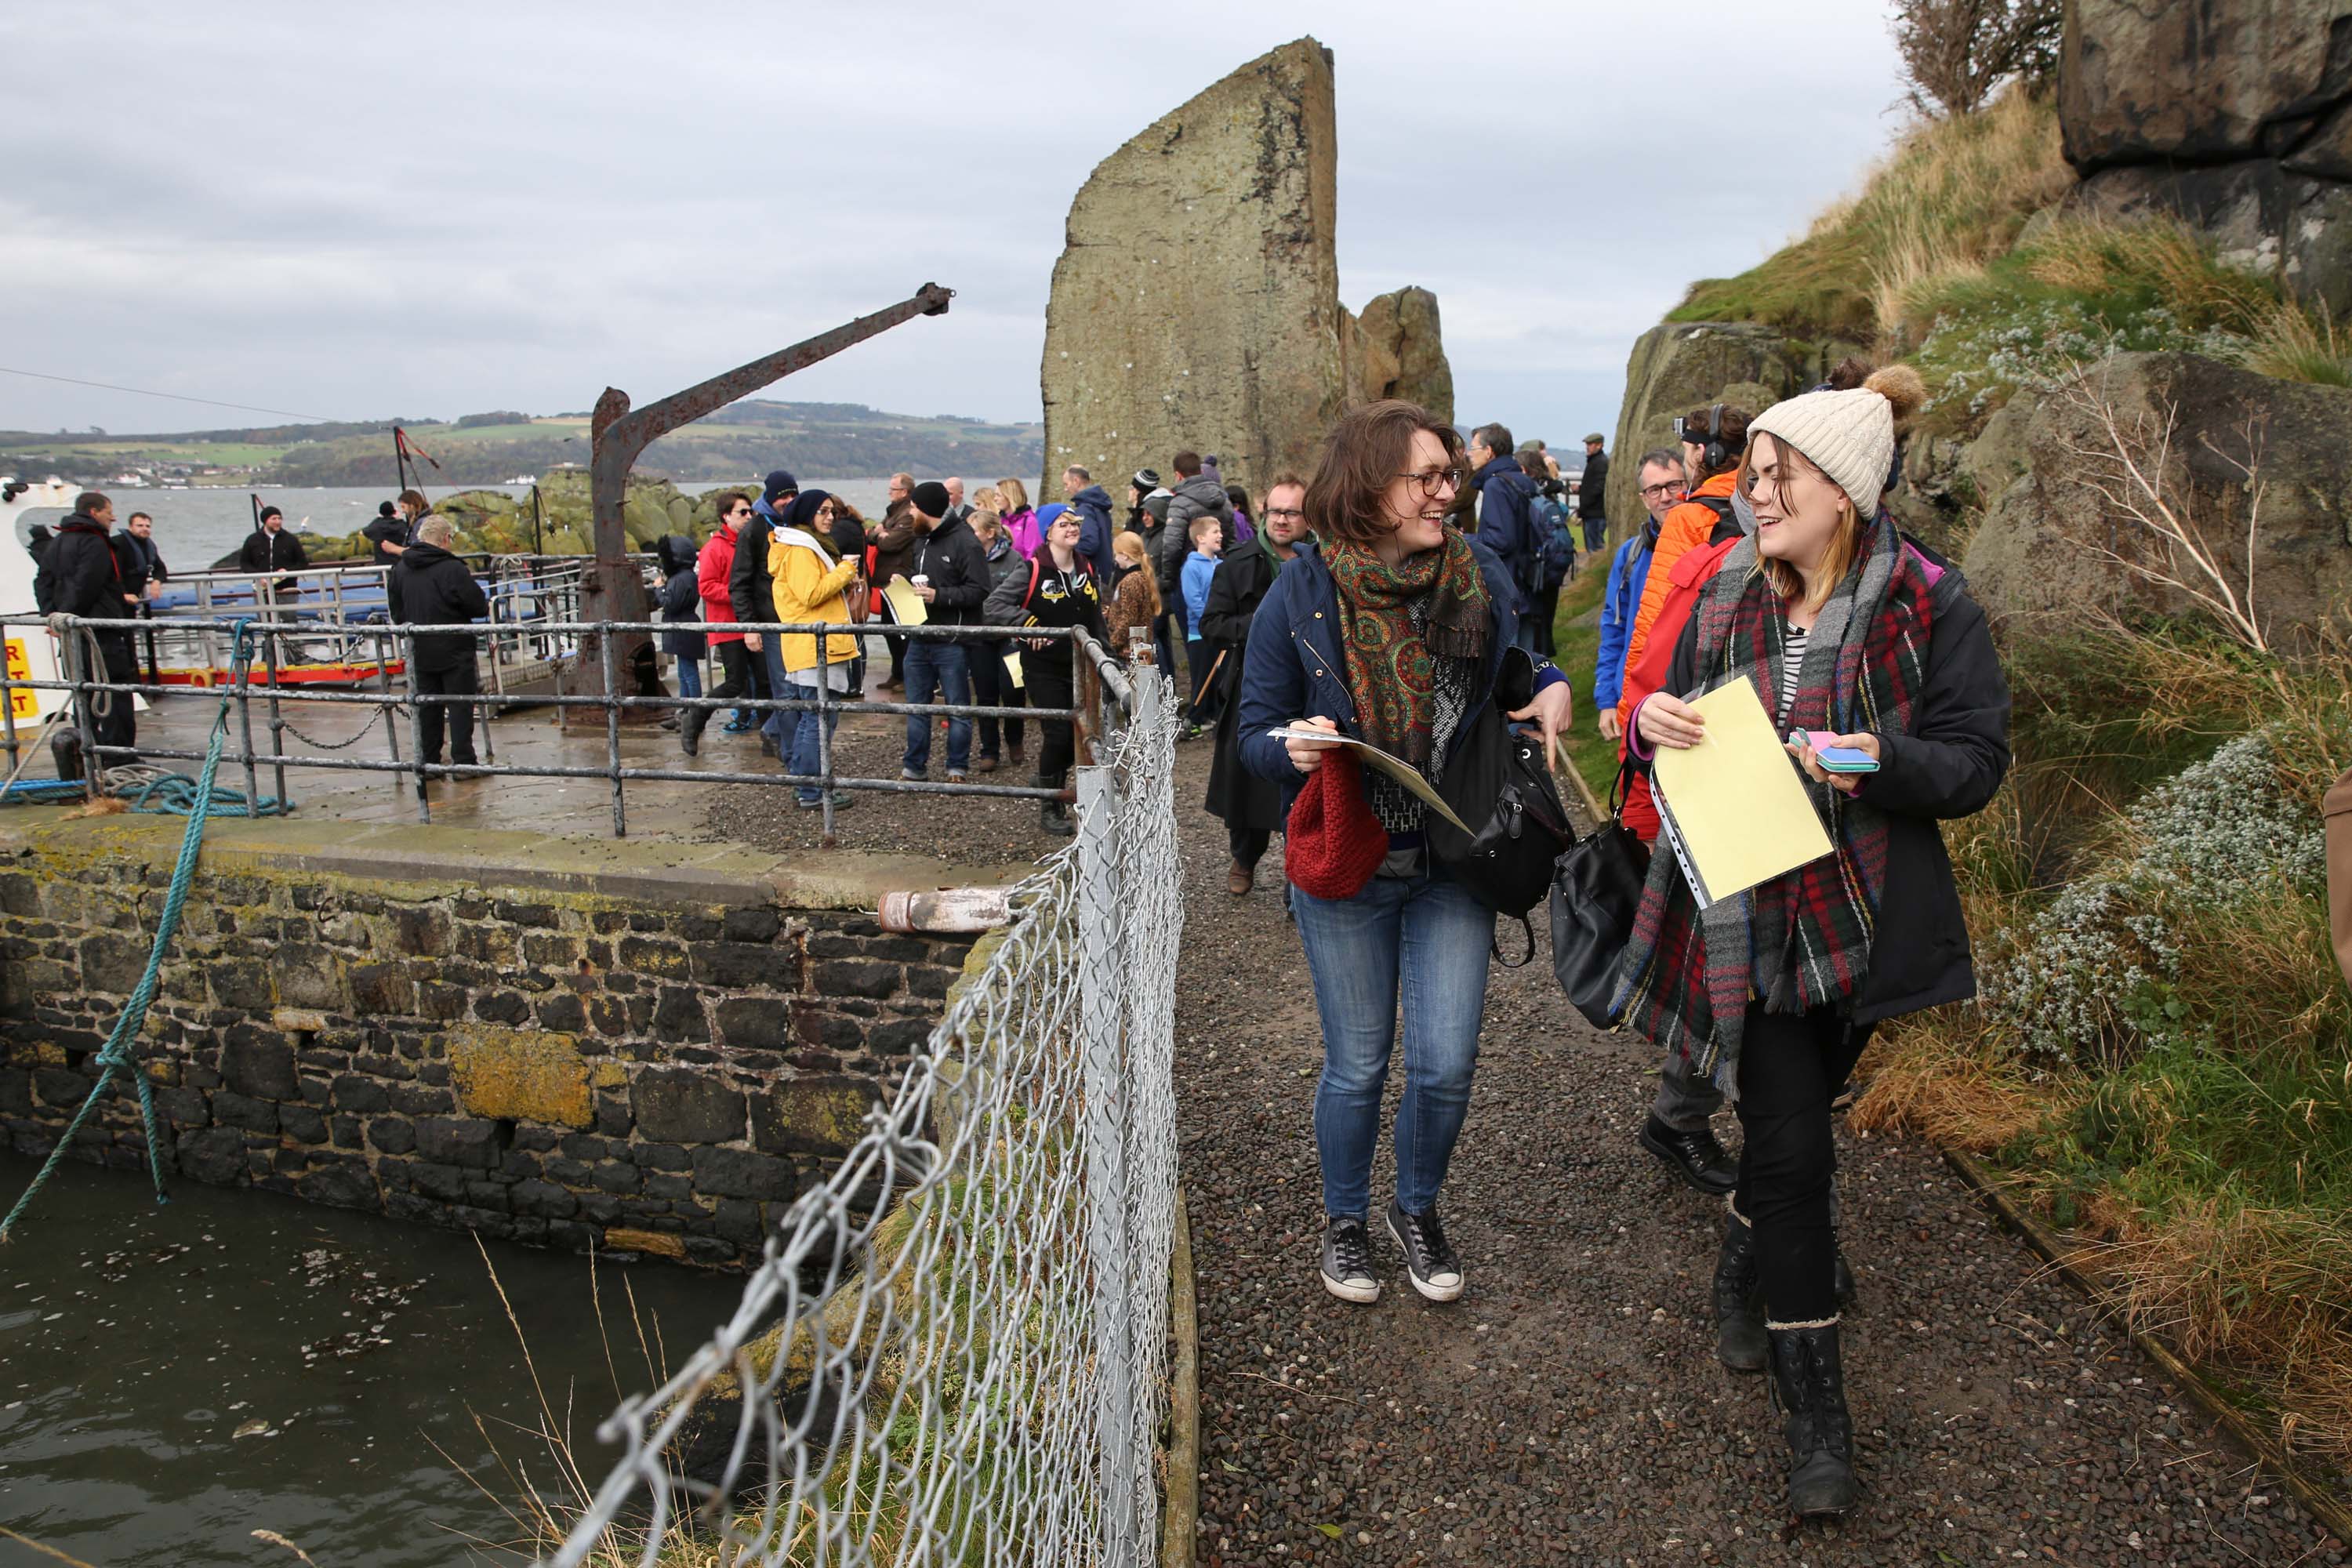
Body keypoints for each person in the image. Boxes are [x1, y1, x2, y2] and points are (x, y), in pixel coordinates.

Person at [1620, 365, 2006, 1518]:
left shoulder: (1931, 602)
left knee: (1798, 1141)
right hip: (1750, 915)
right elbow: (1659, 722)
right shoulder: (1725, 586)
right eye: (1756, 473)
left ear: (1844, 488)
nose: (1756, 493)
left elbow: (1976, 764)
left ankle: (1743, 1258)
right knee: (1795, 1158)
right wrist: (1648, 725)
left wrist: (1873, 757)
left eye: (1780, 475)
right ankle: (1820, 1431)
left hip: (1868, 921)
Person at [1236, 400, 1573, 1306]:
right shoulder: (1301, 591)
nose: (1444, 491)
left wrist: (1552, 685)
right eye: (1426, 475)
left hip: (1457, 859)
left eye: (1449, 475)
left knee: (1445, 1061)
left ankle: (1414, 1207)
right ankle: (1344, 1218)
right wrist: (1293, 746)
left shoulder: (1478, 569)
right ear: (1368, 484)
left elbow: (1521, 661)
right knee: (1358, 1061)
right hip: (1349, 863)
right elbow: (1250, 734)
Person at [1202, 473, 1306, 895]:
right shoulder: (1237, 563)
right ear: (1265, 513)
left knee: (1305, 776)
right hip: (1251, 685)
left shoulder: (1323, 560)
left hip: (1309, 687)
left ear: (1306, 517)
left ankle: (1298, 873)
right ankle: (1245, 858)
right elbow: (1213, 624)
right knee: (1246, 782)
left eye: (1292, 512)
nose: (1282, 520)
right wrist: (1265, 623)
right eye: (1275, 511)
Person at [987, 506, 1106, 833]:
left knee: (1082, 734)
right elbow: (994, 606)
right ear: (1048, 532)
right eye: (1063, 524)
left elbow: (1096, 618)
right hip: (1043, 667)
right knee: (1058, 733)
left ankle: (1046, 777)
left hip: (1081, 667)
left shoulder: (1087, 567)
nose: (1072, 529)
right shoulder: (1033, 569)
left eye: (1075, 523)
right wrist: (1028, 624)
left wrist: (1107, 656)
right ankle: (1050, 805)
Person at [767, 489, 862, 811]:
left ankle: (806, 782)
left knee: (816, 718)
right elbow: (811, 594)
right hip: (815, 646)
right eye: (823, 511)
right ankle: (811, 788)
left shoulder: (804, 547)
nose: (830, 517)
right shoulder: (801, 550)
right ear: (807, 514)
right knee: (818, 720)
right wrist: (845, 571)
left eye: (832, 511)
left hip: (814, 644)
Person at [33, 491, 140, 764]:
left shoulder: (57, 543)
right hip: (98, 632)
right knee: (116, 692)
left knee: (83, 694)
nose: (113, 517)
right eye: (108, 512)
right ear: (94, 512)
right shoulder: (96, 543)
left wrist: (52, 616)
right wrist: (70, 615)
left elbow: (42, 581)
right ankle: (119, 757)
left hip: (71, 634)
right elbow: (87, 582)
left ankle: (88, 754)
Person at [895, 480, 989, 783]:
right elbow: (924, 577)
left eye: (913, 506)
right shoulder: (920, 539)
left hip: (953, 639)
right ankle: (914, 766)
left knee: (958, 707)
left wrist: (940, 596)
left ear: (926, 510)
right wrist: (904, 580)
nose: (909, 511)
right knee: (916, 706)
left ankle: (957, 766)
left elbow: (980, 590)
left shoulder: (967, 542)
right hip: (920, 636)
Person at [386, 516, 489, 780]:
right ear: (445, 539)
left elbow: (397, 613)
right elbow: (478, 606)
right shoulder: (452, 569)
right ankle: (463, 763)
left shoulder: (400, 569)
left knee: (427, 706)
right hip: (454, 646)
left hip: (418, 648)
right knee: (459, 705)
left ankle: (429, 762)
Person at [1595, 450, 1686, 742]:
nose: (1666, 497)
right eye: (1654, 490)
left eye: (1674, 485)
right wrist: (1608, 699)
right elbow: (1614, 627)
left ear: (1688, 485)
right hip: (1637, 694)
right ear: (1643, 498)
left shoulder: (1710, 547)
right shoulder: (1631, 554)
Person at [685, 492, 757, 756]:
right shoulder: (714, 548)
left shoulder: (748, 543)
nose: (749, 516)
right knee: (735, 682)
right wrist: (738, 594)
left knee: (762, 681)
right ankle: (695, 718)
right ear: (726, 516)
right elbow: (706, 587)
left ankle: (772, 737)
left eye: (751, 512)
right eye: (743, 512)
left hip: (751, 622)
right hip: (728, 626)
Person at [731, 470, 797, 757]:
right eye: (783, 496)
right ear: (770, 497)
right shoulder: (754, 530)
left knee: (800, 688)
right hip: (770, 622)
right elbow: (739, 583)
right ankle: (792, 754)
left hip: (797, 620)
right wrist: (750, 626)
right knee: (784, 689)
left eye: (793, 495)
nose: (789, 500)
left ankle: (772, 732)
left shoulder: (796, 525)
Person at [1465, 424, 1539, 652]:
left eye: (1473, 447)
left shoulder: (1496, 484)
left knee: (1508, 656)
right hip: (1529, 578)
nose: (1469, 453)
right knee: (1527, 656)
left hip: (1508, 582)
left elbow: (1500, 540)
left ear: (1489, 451)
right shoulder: (1521, 478)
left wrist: (1466, 538)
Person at [969, 509, 1028, 772]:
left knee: (1014, 689)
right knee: (985, 694)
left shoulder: (1014, 559)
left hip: (1010, 636)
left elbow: (1022, 596)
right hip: (980, 636)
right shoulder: (968, 558)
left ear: (990, 533)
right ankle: (989, 749)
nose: (969, 537)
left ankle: (1015, 740)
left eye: (974, 531)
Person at [870, 475, 922, 693]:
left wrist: (882, 533)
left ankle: (909, 676)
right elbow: (873, 537)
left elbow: (892, 543)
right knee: (888, 629)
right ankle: (897, 672)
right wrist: (880, 533)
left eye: (893, 489)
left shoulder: (908, 514)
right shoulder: (894, 512)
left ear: (904, 492)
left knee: (903, 632)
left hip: (901, 579)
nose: (889, 492)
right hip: (887, 579)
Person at [1521, 451, 1571, 657]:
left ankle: (1538, 666)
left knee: (1536, 620)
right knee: (1547, 617)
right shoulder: (1549, 491)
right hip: (1554, 566)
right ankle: (1547, 657)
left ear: (1524, 470)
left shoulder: (1530, 495)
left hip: (1539, 568)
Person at [655, 535, 706, 735]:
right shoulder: (687, 577)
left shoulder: (681, 579)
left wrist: (659, 588)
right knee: (685, 673)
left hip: (683, 627)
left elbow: (670, 603)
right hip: (684, 626)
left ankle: (692, 714)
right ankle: (685, 712)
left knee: (689, 673)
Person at [1179, 514, 1225, 728]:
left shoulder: (1222, 565)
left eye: (1220, 531)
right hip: (1200, 632)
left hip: (1221, 632)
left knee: (1219, 676)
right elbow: (1194, 601)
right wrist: (1211, 621)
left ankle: (1216, 715)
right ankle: (1196, 718)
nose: (1221, 535)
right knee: (1202, 677)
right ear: (1200, 538)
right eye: (1215, 532)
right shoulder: (1191, 567)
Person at [1105, 529, 1161, 668]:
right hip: (1136, 650)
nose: (1115, 559)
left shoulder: (1132, 581)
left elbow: (1129, 617)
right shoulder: (1140, 577)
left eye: (1116, 554)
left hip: (1129, 653)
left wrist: (1111, 644)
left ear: (1125, 556)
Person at [1059, 465, 1119, 583]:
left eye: (1066, 484)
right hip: (1105, 571)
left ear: (1076, 481)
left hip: (1092, 575)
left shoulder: (1085, 509)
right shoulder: (1100, 506)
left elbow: (1089, 543)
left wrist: (1066, 551)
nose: (1066, 489)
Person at [238, 505, 310, 579]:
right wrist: (258, 576)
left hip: (287, 586)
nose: (278, 522)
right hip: (261, 587)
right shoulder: (252, 540)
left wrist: (287, 571)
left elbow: (303, 563)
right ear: (265, 521)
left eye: (280, 518)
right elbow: (245, 564)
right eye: (274, 519)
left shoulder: (291, 539)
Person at [1577, 433, 1611, 555]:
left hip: (1596, 513)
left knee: (1595, 548)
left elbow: (1599, 487)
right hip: (1591, 512)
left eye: (1590, 444)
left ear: (1599, 445)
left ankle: (1598, 571)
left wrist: (1585, 504)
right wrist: (1581, 489)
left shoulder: (1601, 462)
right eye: (1587, 444)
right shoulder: (1594, 461)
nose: (1587, 447)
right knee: (1592, 546)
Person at [997, 477, 1040, 561]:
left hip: (1021, 570)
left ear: (1010, 496)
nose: (995, 499)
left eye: (998, 495)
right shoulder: (999, 521)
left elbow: (1032, 555)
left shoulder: (1029, 522)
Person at [365, 500, 408, 566]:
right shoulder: (401, 525)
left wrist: (378, 519)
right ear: (394, 512)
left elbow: (366, 532)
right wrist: (399, 519)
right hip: (399, 563)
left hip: (381, 564)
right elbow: (408, 533)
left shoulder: (377, 526)